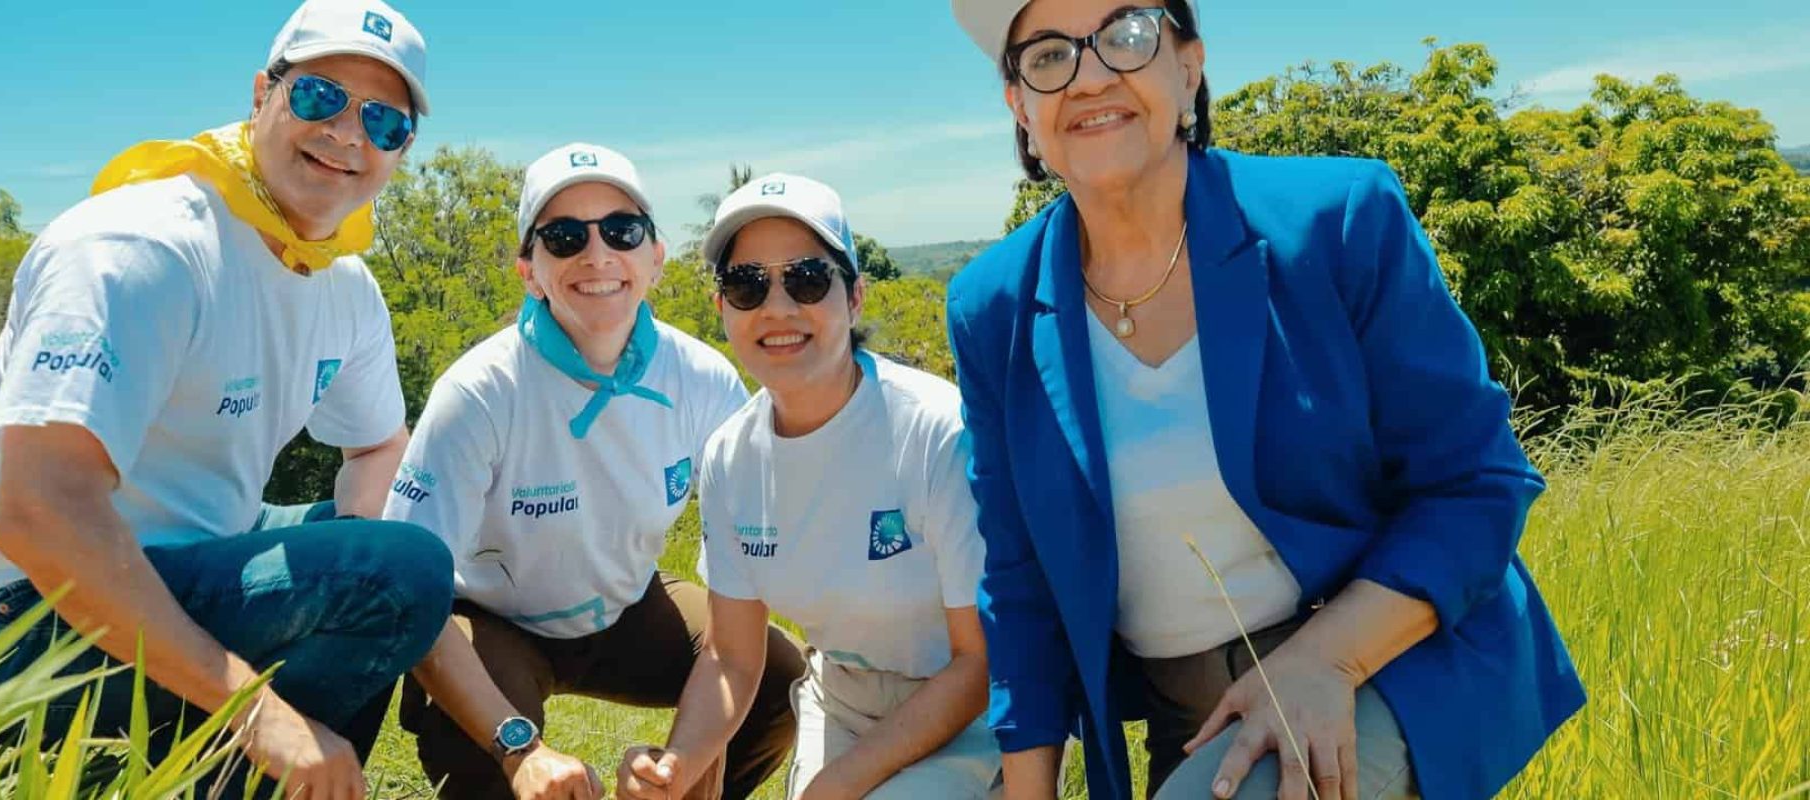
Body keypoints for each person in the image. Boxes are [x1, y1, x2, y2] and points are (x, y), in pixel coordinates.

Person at [942, 1, 1587, 798]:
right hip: (1189, 717)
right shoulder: (991, 305)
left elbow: (1476, 484)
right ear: (1020, 107)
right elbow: (1018, 581)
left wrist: (1328, 657)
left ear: (1187, 68)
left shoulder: (1339, 219)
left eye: (1127, 35)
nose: (1091, 74)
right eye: (1048, 56)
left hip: (1379, 658)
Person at [0, 1, 452, 798]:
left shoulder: (343, 284)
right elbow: (40, 515)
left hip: (178, 549)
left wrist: (354, 567)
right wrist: (258, 712)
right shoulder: (141, 250)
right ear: (263, 94)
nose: (348, 134)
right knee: (395, 571)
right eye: (321, 97)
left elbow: (376, 447)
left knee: (386, 551)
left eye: (385, 122)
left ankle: (231, 770)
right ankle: (221, 760)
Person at [384, 144, 804, 800]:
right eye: (563, 236)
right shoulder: (480, 392)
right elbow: (412, 595)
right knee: (486, 761)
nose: (597, 254)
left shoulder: (701, 380)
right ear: (530, 271)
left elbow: (741, 596)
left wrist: (684, 765)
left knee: (781, 675)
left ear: (655, 257)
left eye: (622, 230)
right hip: (494, 617)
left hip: (627, 606)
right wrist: (519, 750)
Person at [616, 174, 998, 800]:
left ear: (854, 298)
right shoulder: (731, 457)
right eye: (746, 285)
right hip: (841, 695)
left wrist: (838, 784)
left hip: (964, 707)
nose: (777, 308)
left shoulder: (933, 430)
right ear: (722, 309)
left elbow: (977, 663)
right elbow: (732, 659)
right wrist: (676, 766)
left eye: (807, 279)